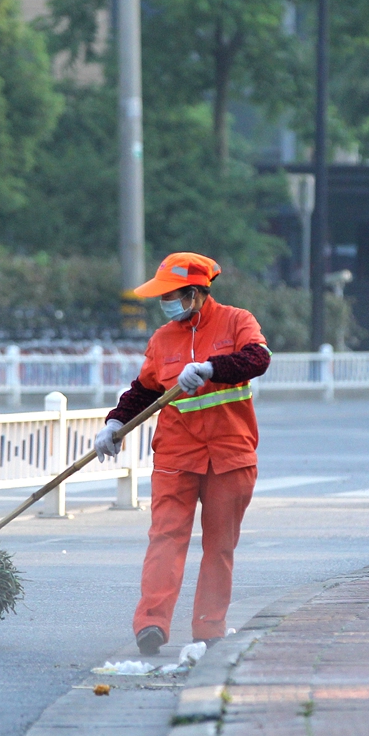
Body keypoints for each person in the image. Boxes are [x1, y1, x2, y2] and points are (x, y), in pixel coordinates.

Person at [95, 252, 271, 656]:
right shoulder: (162, 339)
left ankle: (210, 627)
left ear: (194, 294)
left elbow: (258, 359)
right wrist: (114, 424)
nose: (165, 304)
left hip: (230, 453)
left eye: (171, 296)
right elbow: (144, 390)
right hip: (176, 455)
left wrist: (211, 368)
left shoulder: (236, 321)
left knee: (219, 545)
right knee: (165, 539)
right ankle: (151, 624)